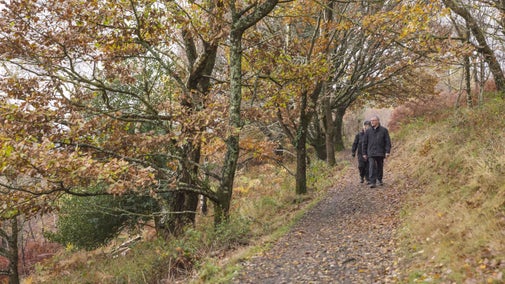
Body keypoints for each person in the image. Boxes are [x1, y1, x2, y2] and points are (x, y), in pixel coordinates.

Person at [362, 115, 391, 188]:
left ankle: (379, 179)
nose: (372, 122)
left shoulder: (384, 130)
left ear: (378, 121)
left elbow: (387, 141)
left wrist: (387, 151)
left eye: (373, 120)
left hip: (380, 152)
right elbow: (364, 142)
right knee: (371, 166)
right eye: (371, 121)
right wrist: (364, 153)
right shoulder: (368, 131)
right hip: (371, 152)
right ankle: (372, 182)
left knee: (380, 166)